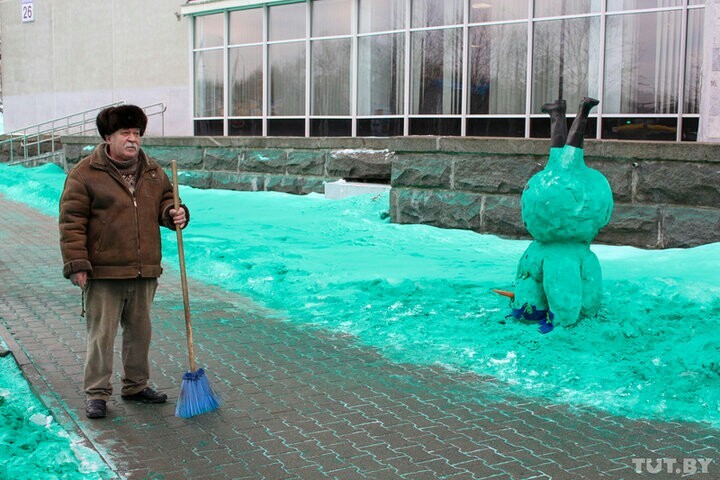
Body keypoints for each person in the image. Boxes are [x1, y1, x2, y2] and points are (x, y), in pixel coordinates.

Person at [59, 105, 189, 419]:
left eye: (136, 134)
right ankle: (97, 393)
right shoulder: (86, 173)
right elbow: (71, 221)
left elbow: (165, 203)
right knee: (101, 335)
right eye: (125, 134)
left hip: (144, 268)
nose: (132, 140)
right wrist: (77, 263)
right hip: (104, 271)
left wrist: (175, 214)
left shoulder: (154, 171)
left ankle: (135, 385)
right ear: (108, 137)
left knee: (140, 333)